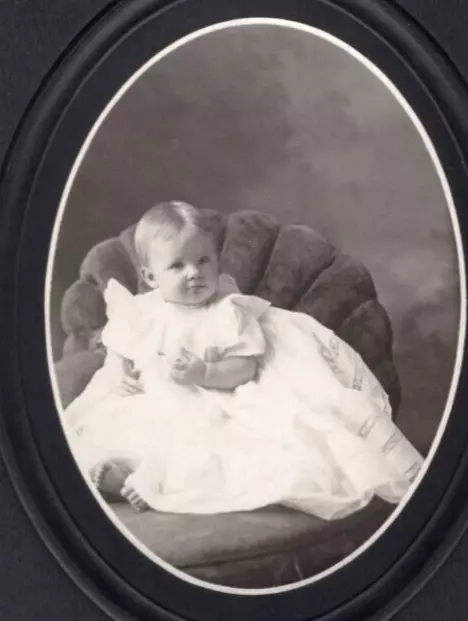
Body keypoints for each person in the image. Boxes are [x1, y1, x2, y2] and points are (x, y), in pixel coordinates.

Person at [65, 200, 423, 520]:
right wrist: (118, 370)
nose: (194, 272)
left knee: (210, 445)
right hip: (155, 397)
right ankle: (128, 471)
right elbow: (119, 343)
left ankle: (150, 480)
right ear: (150, 277)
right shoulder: (142, 309)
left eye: (203, 260)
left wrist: (204, 372)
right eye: (177, 266)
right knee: (126, 429)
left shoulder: (226, 309)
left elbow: (245, 367)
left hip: (215, 400)